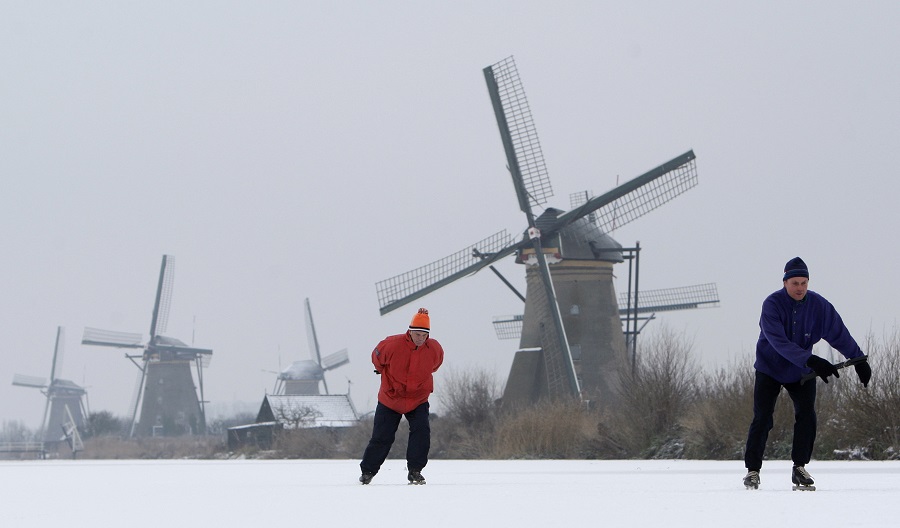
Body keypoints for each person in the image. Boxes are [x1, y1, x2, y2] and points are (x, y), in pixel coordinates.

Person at [743, 257, 871, 490]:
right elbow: (778, 342)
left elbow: (838, 334)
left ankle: (799, 467)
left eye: (804, 283)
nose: (800, 288)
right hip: (769, 368)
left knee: (807, 416)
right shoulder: (771, 305)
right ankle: (753, 470)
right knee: (762, 417)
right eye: (795, 283)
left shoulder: (819, 306)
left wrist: (859, 359)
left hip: (801, 372)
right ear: (785, 283)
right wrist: (811, 359)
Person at [359, 308, 444, 485]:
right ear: (410, 331)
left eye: (424, 335)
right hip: (391, 398)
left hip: (418, 399)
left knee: (421, 432)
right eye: (417, 334)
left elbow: (435, 366)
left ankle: (415, 471)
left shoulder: (434, 349)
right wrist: (385, 374)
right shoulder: (391, 344)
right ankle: (368, 471)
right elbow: (377, 358)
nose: (420, 338)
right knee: (382, 436)